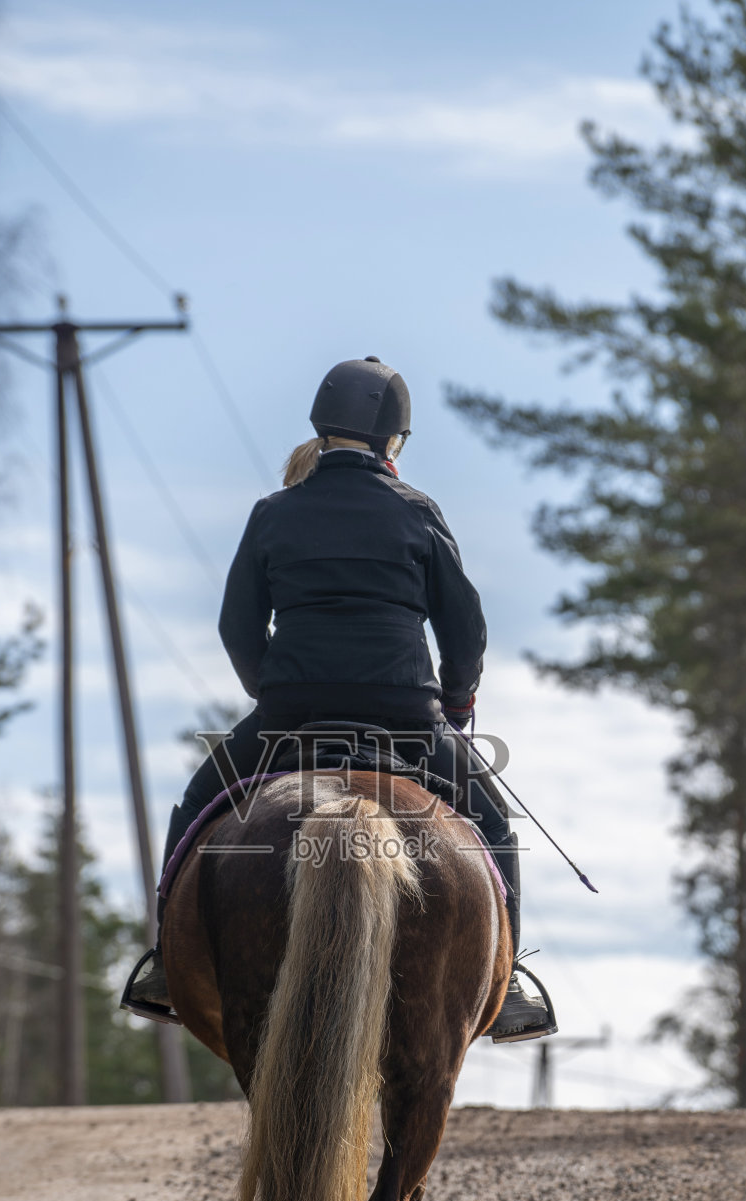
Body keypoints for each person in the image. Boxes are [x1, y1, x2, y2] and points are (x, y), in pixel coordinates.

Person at [122, 356, 556, 1043]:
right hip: (406, 715)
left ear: (321, 425)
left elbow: (236, 626)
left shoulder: (273, 513)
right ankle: (507, 991)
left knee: (196, 804)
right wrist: (456, 703)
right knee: (494, 825)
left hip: (290, 712)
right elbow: (465, 628)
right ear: (393, 439)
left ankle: (163, 966)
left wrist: (272, 692)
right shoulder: (417, 511)